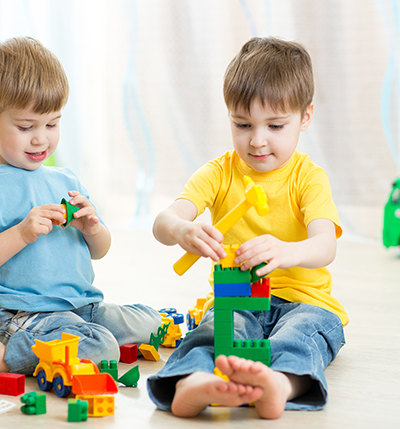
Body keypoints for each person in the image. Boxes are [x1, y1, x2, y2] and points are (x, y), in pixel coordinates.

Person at [0, 37, 161, 380]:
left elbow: (100, 251)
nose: (41, 139)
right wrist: (21, 234)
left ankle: (55, 338)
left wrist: (93, 229)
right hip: (20, 314)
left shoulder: (65, 179)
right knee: (103, 347)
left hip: (79, 306)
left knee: (150, 321)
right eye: (26, 127)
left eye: (52, 124)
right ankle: (3, 354)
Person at [148, 37, 348, 419]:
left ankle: (279, 384)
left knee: (304, 334)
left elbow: (326, 244)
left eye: (275, 125)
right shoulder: (219, 172)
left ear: (305, 117)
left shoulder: (309, 177)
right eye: (242, 124)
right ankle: (191, 382)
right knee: (214, 333)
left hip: (304, 300)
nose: (257, 141)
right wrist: (181, 231)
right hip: (237, 298)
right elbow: (164, 221)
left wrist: (288, 250)